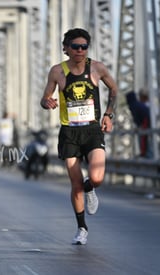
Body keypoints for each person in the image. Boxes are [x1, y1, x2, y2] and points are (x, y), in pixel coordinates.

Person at [40, 28, 118, 245]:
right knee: (75, 184)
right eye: (75, 47)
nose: (80, 51)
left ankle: (90, 187)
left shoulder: (97, 68)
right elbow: (45, 97)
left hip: (92, 130)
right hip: (70, 133)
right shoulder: (57, 71)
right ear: (66, 48)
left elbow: (114, 89)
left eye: (84, 46)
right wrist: (48, 102)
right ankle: (82, 228)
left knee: (97, 177)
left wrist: (109, 114)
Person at [125, 89, 152, 158]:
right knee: (145, 139)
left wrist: (139, 126)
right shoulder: (138, 104)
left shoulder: (133, 105)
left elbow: (136, 117)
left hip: (145, 122)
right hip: (146, 121)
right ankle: (145, 154)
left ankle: (145, 155)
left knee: (143, 138)